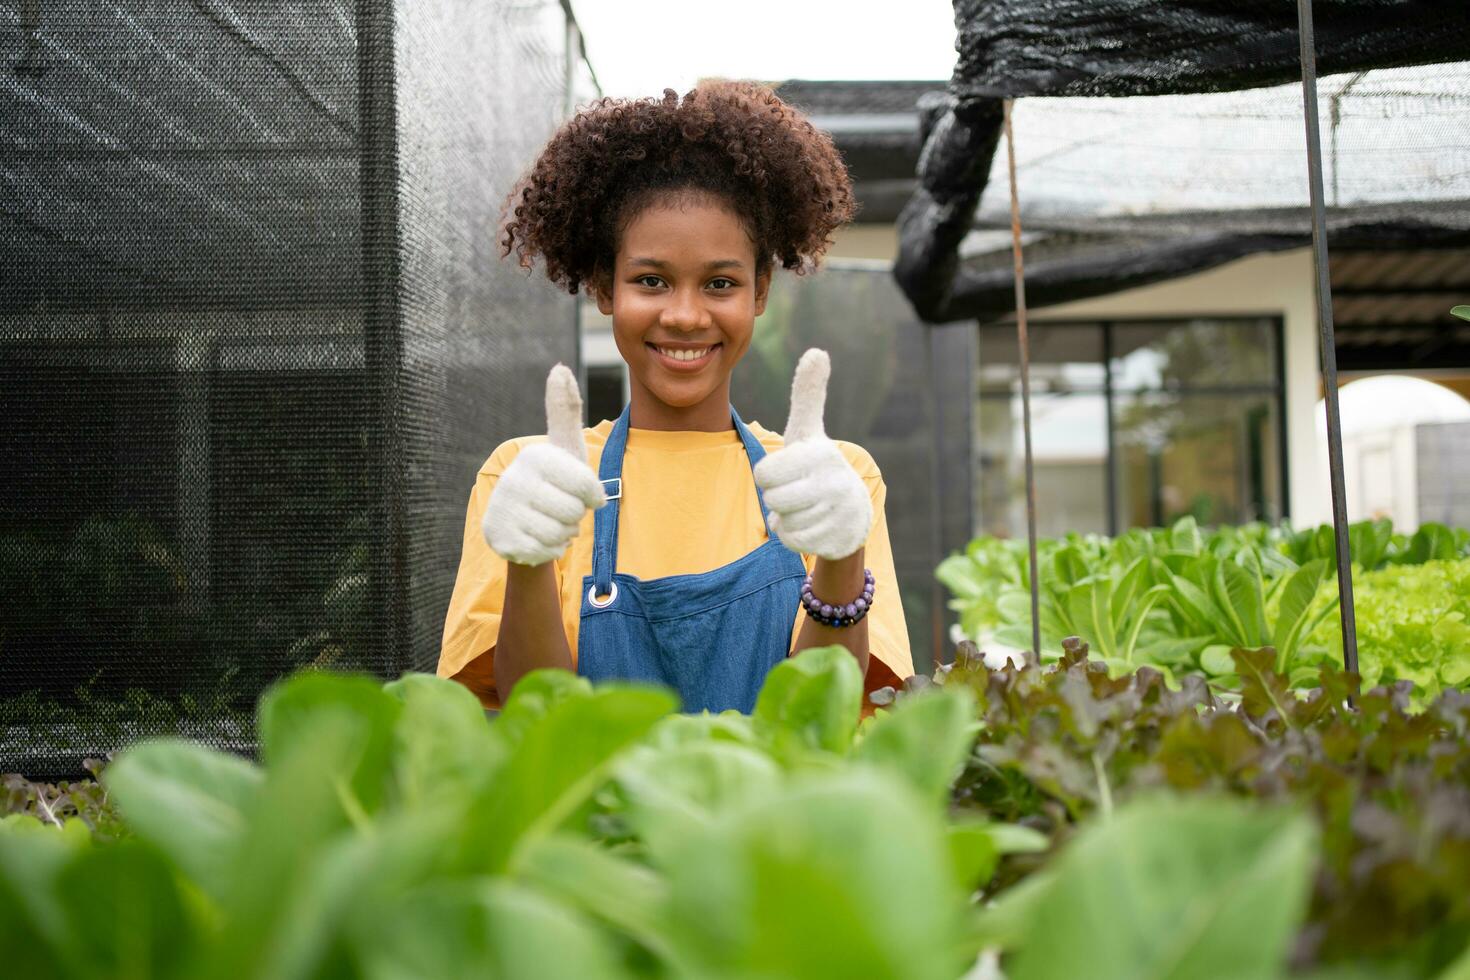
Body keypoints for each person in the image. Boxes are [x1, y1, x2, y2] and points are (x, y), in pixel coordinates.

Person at [438, 81, 912, 713]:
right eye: (651, 280)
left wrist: (840, 555)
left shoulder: (831, 481)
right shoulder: (533, 481)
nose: (686, 315)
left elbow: (832, 711)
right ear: (605, 287)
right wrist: (528, 564)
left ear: (760, 292)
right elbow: (531, 716)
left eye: (720, 282)